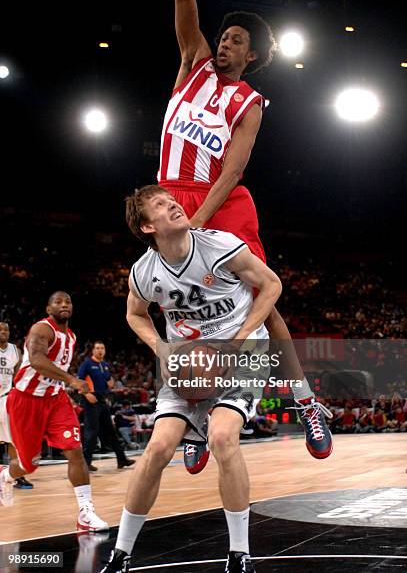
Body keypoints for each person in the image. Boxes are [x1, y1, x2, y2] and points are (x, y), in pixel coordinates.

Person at [157, 0, 332, 469]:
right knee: (182, 306)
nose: (226, 42)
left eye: (237, 39)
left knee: (262, 297)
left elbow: (231, 173)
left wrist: (197, 225)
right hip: (170, 196)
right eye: (224, 35)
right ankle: (195, 410)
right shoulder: (193, 63)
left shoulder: (249, 101)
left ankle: (305, 401)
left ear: (252, 54)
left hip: (220, 200)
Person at [101, 184, 283, 573]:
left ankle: (239, 555)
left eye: (172, 201)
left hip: (243, 352)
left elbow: (271, 285)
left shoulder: (220, 245)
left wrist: (239, 338)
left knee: (222, 436)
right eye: (162, 206)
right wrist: (161, 348)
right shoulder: (144, 272)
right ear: (148, 226)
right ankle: (120, 555)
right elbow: (134, 314)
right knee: (157, 449)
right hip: (187, 363)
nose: (175, 206)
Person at [0, 292, 108, 532]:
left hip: (55, 399)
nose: (64, 305)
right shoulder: (41, 329)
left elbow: (54, 371)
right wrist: (72, 380)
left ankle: (85, 513)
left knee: (75, 451)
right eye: (58, 302)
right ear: (48, 308)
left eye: (68, 301)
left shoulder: (71, 336)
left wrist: (65, 387)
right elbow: (37, 360)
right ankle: (6, 475)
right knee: (29, 465)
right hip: (26, 401)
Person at [78, 341, 136, 471]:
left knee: (111, 431)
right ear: (92, 351)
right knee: (91, 432)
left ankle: (122, 460)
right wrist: (87, 395)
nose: (100, 350)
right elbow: (79, 381)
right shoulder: (87, 363)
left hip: (102, 400)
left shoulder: (104, 365)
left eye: (102, 348)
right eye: (97, 348)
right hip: (90, 400)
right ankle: (85, 463)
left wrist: (111, 382)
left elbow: (109, 381)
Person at [0, 321, 33, 490]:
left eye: (6, 329)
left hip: (6, 398)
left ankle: (18, 476)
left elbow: (19, 375)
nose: (3, 331)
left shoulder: (14, 350)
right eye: (0, 329)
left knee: (14, 439)